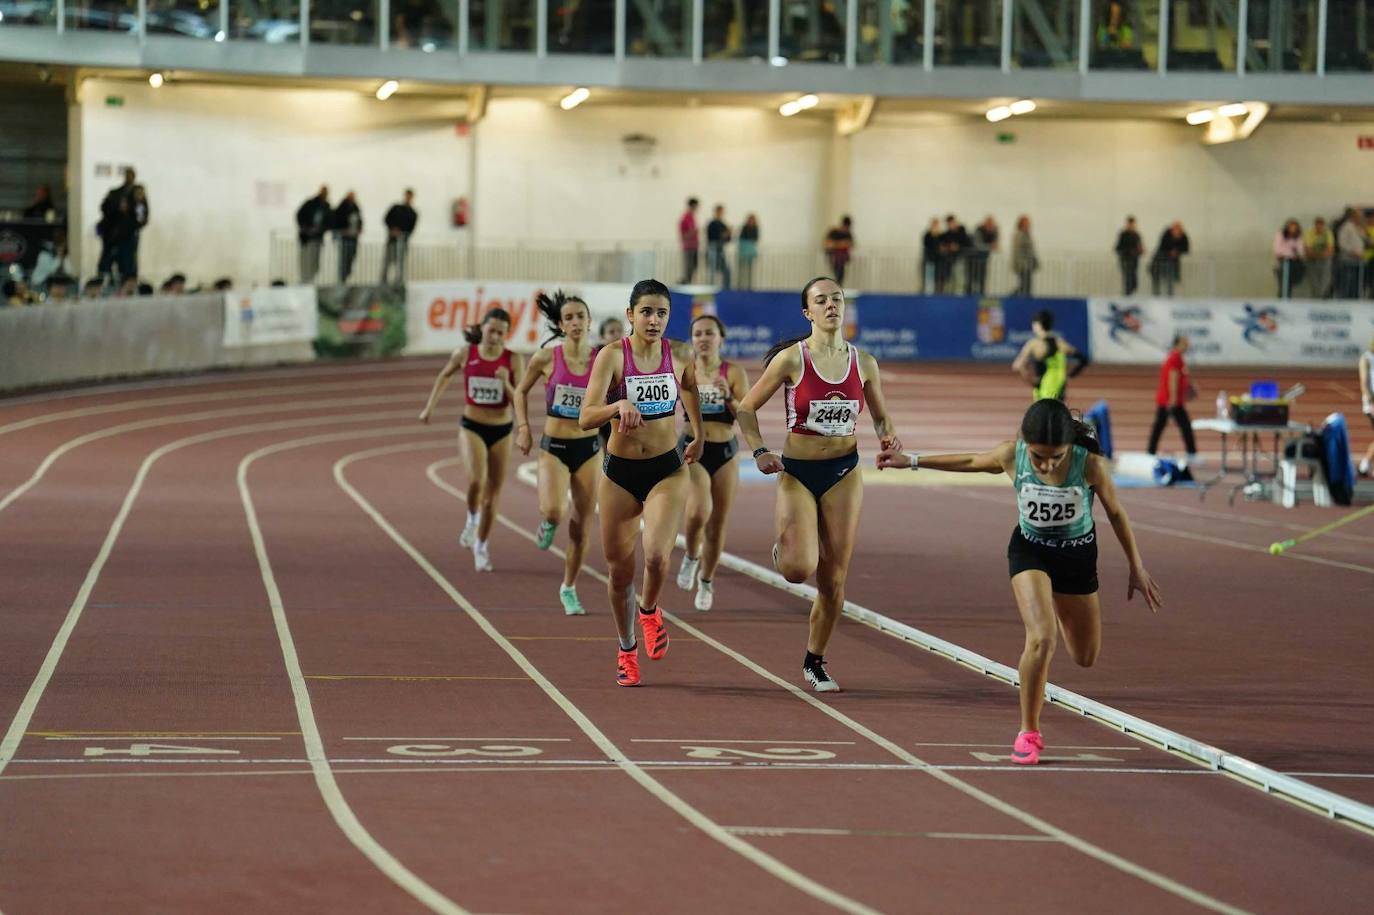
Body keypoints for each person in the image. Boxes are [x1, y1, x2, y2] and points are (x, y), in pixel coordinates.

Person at [875, 399, 1162, 765]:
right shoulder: (1014, 455)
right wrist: (911, 460)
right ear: (1026, 445)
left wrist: (1136, 567)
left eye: (1055, 457)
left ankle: (1057, 602)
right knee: (1042, 638)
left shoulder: (1089, 465)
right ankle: (1029, 732)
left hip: (1077, 558)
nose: (1046, 465)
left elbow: (1117, 514)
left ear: (1069, 446)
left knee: (1085, 657)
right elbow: (970, 461)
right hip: (1031, 552)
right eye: (1039, 457)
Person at [736, 277, 900, 692]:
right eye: (821, 300)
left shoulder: (864, 363)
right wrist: (759, 451)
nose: (831, 305)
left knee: (833, 579)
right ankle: (786, 549)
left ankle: (815, 660)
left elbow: (880, 416)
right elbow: (745, 408)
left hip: (844, 472)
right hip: (797, 473)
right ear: (808, 312)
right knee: (797, 569)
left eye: (837, 299)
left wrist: (888, 435)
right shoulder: (793, 360)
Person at [579, 280, 704, 687]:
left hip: (667, 469)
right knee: (619, 574)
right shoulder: (612, 357)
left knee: (656, 556)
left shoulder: (680, 354)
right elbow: (586, 416)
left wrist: (698, 432)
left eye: (661, 313)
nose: (654, 320)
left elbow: (689, 387)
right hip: (619, 473)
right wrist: (617, 405)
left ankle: (649, 610)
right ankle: (626, 648)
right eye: (646, 312)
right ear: (630, 315)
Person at [513, 291, 602, 616]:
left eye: (581, 316)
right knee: (554, 510)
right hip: (555, 447)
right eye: (569, 318)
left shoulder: (602, 359)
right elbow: (520, 392)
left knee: (581, 527)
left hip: (589, 449)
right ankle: (547, 522)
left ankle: (569, 587)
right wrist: (523, 428)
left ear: (589, 321)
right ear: (561, 325)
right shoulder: (546, 358)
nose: (576, 322)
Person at [419, 308, 525, 573]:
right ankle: (471, 519)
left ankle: (481, 545)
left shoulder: (512, 360)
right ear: (483, 328)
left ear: (506, 335)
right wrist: (429, 407)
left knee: (492, 495)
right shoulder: (466, 353)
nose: (495, 336)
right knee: (476, 481)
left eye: (501, 333)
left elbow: (519, 398)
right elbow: (445, 375)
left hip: (502, 429)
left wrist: (506, 383)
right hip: (472, 426)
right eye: (491, 331)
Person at [675, 315, 749, 611]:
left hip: (725, 451)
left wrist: (729, 397)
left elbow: (746, 414)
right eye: (697, 334)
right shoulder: (686, 370)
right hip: (693, 449)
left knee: (717, 523)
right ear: (692, 340)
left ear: (721, 338)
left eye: (709, 333)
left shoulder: (734, 372)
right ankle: (692, 556)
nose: (703, 339)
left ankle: (706, 579)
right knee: (696, 512)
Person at [1011, 309, 1088, 401]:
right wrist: (1072, 374)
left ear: (1038, 325)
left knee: (1041, 414)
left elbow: (1017, 366)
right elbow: (1083, 359)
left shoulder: (1033, 344)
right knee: (1058, 414)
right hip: (1058, 389)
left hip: (1042, 391)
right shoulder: (1059, 343)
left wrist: (1033, 382)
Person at [1146, 334, 1199, 461]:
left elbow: (1180, 377)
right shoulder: (1175, 358)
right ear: (1178, 344)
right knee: (1184, 426)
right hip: (1170, 400)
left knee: (1160, 425)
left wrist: (1189, 387)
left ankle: (1150, 451)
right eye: (1185, 342)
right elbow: (1173, 378)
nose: (1187, 345)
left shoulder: (1176, 357)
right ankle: (1191, 452)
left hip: (1169, 399)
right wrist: (1174, 398)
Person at [382, 189, 418, 285]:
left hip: (403, 242)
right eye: (407, 196)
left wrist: (402, 233)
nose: (408, 198)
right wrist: (392, 229)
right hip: (392, 240)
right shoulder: (396, 208)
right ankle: (383, 282)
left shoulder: (413, 213)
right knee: (387, 262)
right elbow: (386, 219)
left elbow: (411, 229)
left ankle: (398, 282)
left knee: (400, 264)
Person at [296, 186, 330, 283]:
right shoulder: (310, 203)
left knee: (314, 262)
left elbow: (330, 221)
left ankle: (310, 279)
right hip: (307, 238)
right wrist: (305, 227)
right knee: (305, 260)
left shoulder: (326, 206)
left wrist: (322, 229)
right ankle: (304, 279)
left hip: (317, 238)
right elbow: (300, 215)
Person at [1151, 221, 1190, 296]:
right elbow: (1163, 245)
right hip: (1160, 261)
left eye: (1178, 229)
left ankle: (1170, 295)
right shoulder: (1166, 234)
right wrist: (1170, 251)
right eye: (1175, 229)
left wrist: (1177, 251)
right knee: (1157, 279)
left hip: (1173, 263)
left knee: (1170, 279)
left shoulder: (1183, 236)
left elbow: (1186, 248)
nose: (1176, 231)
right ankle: (1156, 295)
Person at [333, 191, 363, 285]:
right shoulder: (342, 207)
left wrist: (359, 229)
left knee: (351, 257)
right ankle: (342, 278)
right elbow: (336, 219)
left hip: (353, 238)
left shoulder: (355, 207)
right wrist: (342, 230)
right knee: (344, 258)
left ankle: (345, 276)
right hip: (345, 238)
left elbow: (360, 220)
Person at [1273, 218, 1305, 298]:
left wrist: (1292, 252)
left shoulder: (1298, 237)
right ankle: (1282, 299)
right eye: (1291, 227)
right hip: (1282, 262)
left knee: (1289, 285)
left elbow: (1300, 251)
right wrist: (1289, 252)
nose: (1292, 229)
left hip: (1293, 263)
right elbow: (1278, 249)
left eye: (1294, 228)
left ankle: (1287, 298)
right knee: (1283, 285)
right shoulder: (1280, 235)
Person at [1304, 217, 1334, 299]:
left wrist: (1319, 254)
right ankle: (1316, 298)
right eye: (1318, 225)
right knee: (1314, 282)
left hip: (1324, 261)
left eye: (1321, 225)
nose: (1319, 227)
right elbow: (1308, 250)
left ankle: (1323, 296)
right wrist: (1320, 254)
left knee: (1325, 281)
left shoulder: (1328, 233)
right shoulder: (1309, 233)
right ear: (1315, 225)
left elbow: (1330, 249)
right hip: (1311, 260)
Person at [1114, 216, 1143, 296]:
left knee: (1133, 279)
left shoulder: (1136, 235)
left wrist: (1140, 251)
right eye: (1130, 224)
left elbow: (1140, 247)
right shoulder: (1123, 234)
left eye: (1133, 224)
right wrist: (1128, 251)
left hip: (1134, 261)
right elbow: (1118, 248)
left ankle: (1130, 293)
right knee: (1127, 278)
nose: (1131, 225)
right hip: (1125, 260)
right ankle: (1127, 294)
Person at [705, 205, 732, 289]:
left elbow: (728, 239)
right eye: (719, 211)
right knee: (712, 271)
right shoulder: (712, 223)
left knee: (726, 271)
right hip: (712, 249)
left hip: (720, 250)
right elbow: (711, 237)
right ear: (716, 212)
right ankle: (710, 288)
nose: (720, 213)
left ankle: (726, 289)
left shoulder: (723, 224)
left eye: (722, 212)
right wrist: (723, 235)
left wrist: (728, 234)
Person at [824, 217, 854, 286]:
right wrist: (840, 244)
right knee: (836, 274)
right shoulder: (834, 231)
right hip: (834, 257)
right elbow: (827, 243)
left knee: (840, 275)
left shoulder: (848, 233)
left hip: (842, 259)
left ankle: (838, 287)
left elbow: (851, 244)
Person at [1359, 336, 1374, 477]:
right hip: (1372, 402)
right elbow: (1364, 382)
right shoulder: (1367, 358)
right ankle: (1365, 463)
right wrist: (1371, 402)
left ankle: (1366, 463)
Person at [1012, 215, 1037, 296]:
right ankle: (1013, 296)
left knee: (1026, 284)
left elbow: (1031, 250)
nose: (1028, 225)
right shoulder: (1019, 234)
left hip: (1028, 264)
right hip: (1022, 264)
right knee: (1024, 284)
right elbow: (1018, 249)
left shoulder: (1027, 234)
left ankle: (1025, 297)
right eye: (1026, 223)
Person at [678, 198, 700, 284]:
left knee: (694, 266)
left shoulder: (692, 217)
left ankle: (687, 282)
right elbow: (683, 235)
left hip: (694, 246)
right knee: (689, 267)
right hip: (688, 247)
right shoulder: (685, 218)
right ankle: (686, 283)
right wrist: (693, 232)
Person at [737, 214, 759, 289]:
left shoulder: (755, 228)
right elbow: (742, 238)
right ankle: (740, 285)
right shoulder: (745, 228)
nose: (751, 221)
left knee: (749, 270)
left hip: (750, 252)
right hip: (743, 252)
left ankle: (749, 286)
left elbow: (755, 239)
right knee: (742, 270)